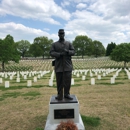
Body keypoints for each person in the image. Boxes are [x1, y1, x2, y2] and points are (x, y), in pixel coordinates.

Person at [49, 29, 75, 100]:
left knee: (67, 82)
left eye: (62, 33)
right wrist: (59, 54)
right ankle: (60, 95)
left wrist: (68, 52)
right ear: (58, 35)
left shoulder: (68, 43)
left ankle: (66, 94)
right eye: (60, 34)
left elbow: (73, 51)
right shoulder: (54, 44)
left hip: (67, 66)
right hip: (59, 66)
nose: (61, 35)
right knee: (59, 82)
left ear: (64, 34)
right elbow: (51, 52)